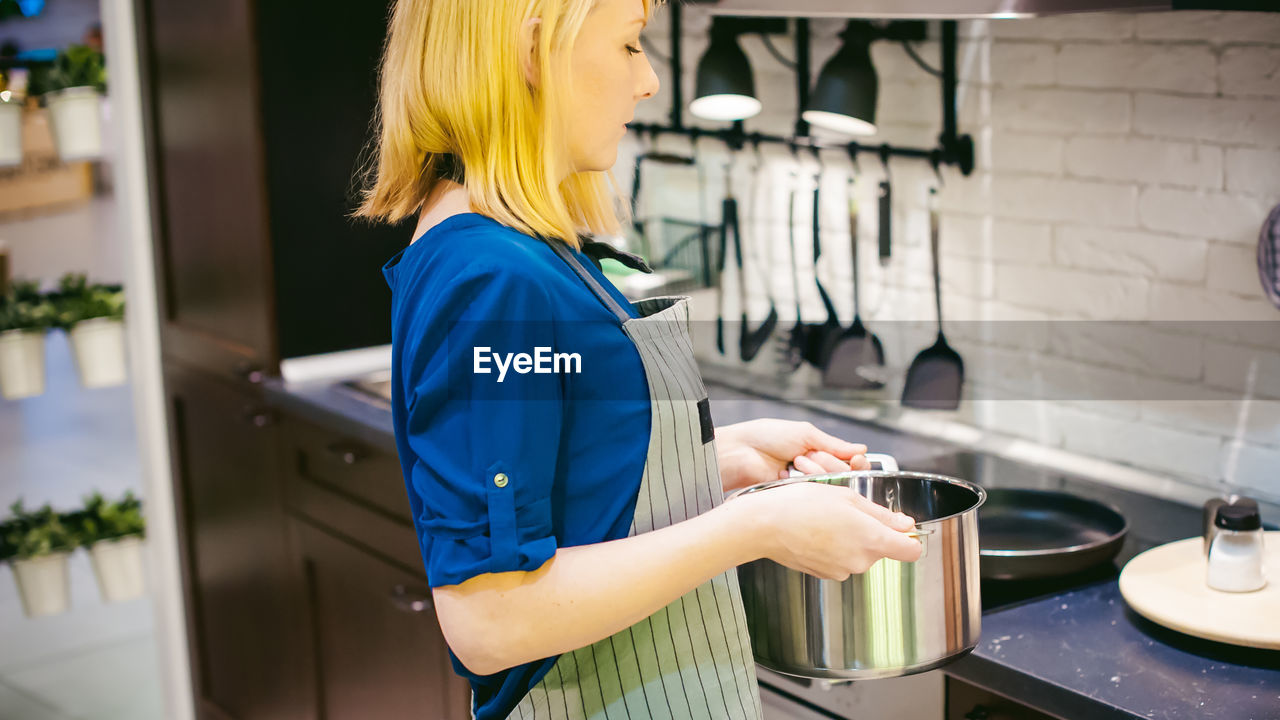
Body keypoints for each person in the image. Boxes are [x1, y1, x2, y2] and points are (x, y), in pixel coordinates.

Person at [353, 1, 924, 718]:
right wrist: (760, 527)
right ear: (533, 54)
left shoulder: (521, 247)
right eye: (629, 46)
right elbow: (491, 622)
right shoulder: (492, 279)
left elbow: (568, 487)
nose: (649, 80)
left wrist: (719, 460)